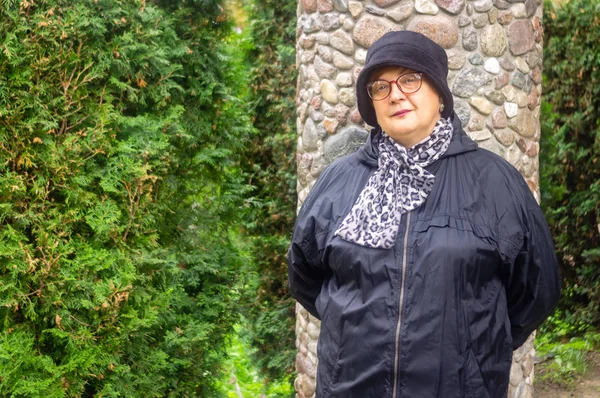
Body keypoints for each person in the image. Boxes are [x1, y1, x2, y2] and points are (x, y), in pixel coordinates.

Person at [287, 31, 561, 398]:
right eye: (380, 87)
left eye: (410, 79)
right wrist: (348, 332)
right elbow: (304, 273)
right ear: (371, 104)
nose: (395, 94)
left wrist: (472, 349)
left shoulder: (496, 182)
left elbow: (537, 289)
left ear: (440, 94)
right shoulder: (339, 181)